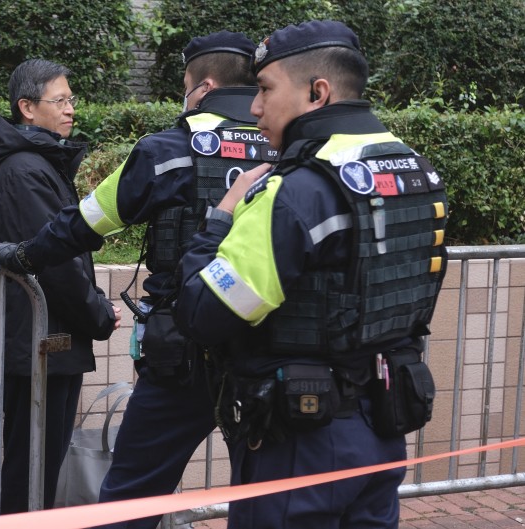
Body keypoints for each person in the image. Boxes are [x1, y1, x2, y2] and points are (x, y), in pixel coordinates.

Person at [175, 20, 448, 528]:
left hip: (302, 443)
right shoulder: (414, 170)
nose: (254, 107)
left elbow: (203, 313)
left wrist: (218, 221)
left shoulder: (295, 192)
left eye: (264, 89)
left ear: (316, 93)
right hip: (384, 426)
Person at [0, 32, 264, 528]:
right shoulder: (295, 149)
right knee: (264, 487)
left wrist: (25, 254)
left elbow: (85, 221)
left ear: (201, 87)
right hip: (267, 349)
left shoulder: (168, 149)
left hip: (185, 350)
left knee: (133, 492)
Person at [0, 58, 120, 513]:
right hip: (39, 344)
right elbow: (53, 262)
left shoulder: (38, 164)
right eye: (59, 101)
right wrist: (97, 312)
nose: (71, 110)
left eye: (71, 100)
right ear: (27, 108)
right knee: (32, 467)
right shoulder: (25, 170)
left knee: (38, 463)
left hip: (43, 342)